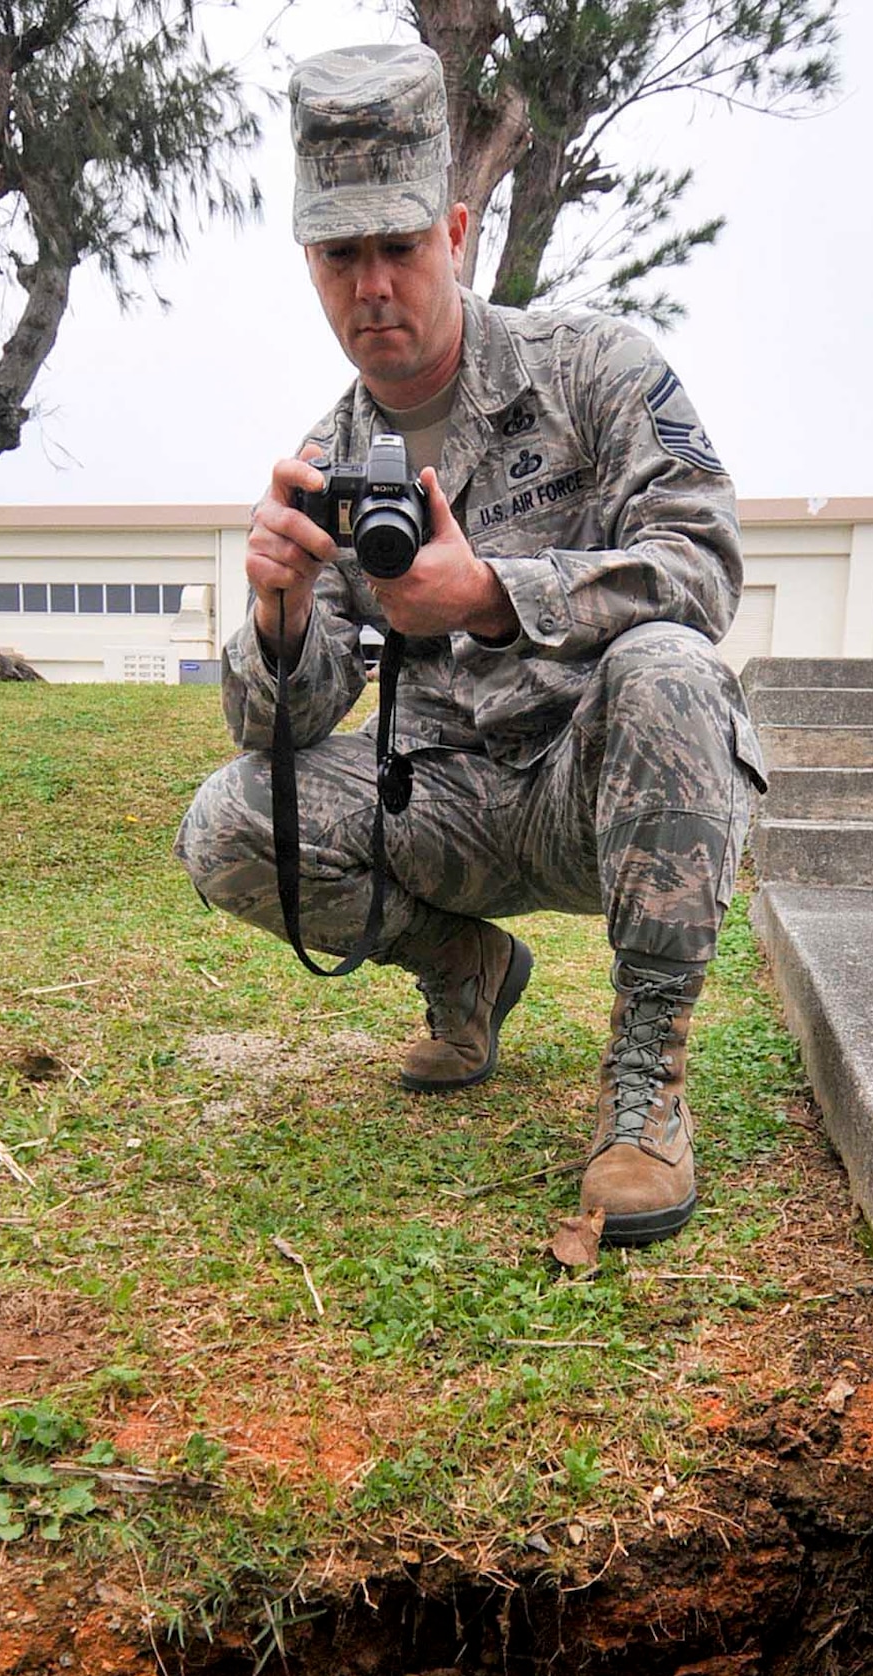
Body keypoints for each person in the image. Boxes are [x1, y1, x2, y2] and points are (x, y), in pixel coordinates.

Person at [175, 42, 766, 1247]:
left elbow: (699, 561)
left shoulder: (592, 368)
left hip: (594, 785)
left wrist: (494, 593)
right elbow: (274, 741)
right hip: (441, 802)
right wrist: (282, 618)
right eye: (342, 256)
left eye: (398, 247)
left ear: (454, 231)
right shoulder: (324, 463)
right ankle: (466, 969)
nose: (373, 286)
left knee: (672, 670)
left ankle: (646, 1080)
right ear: (309, 266)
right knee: (232, 823)